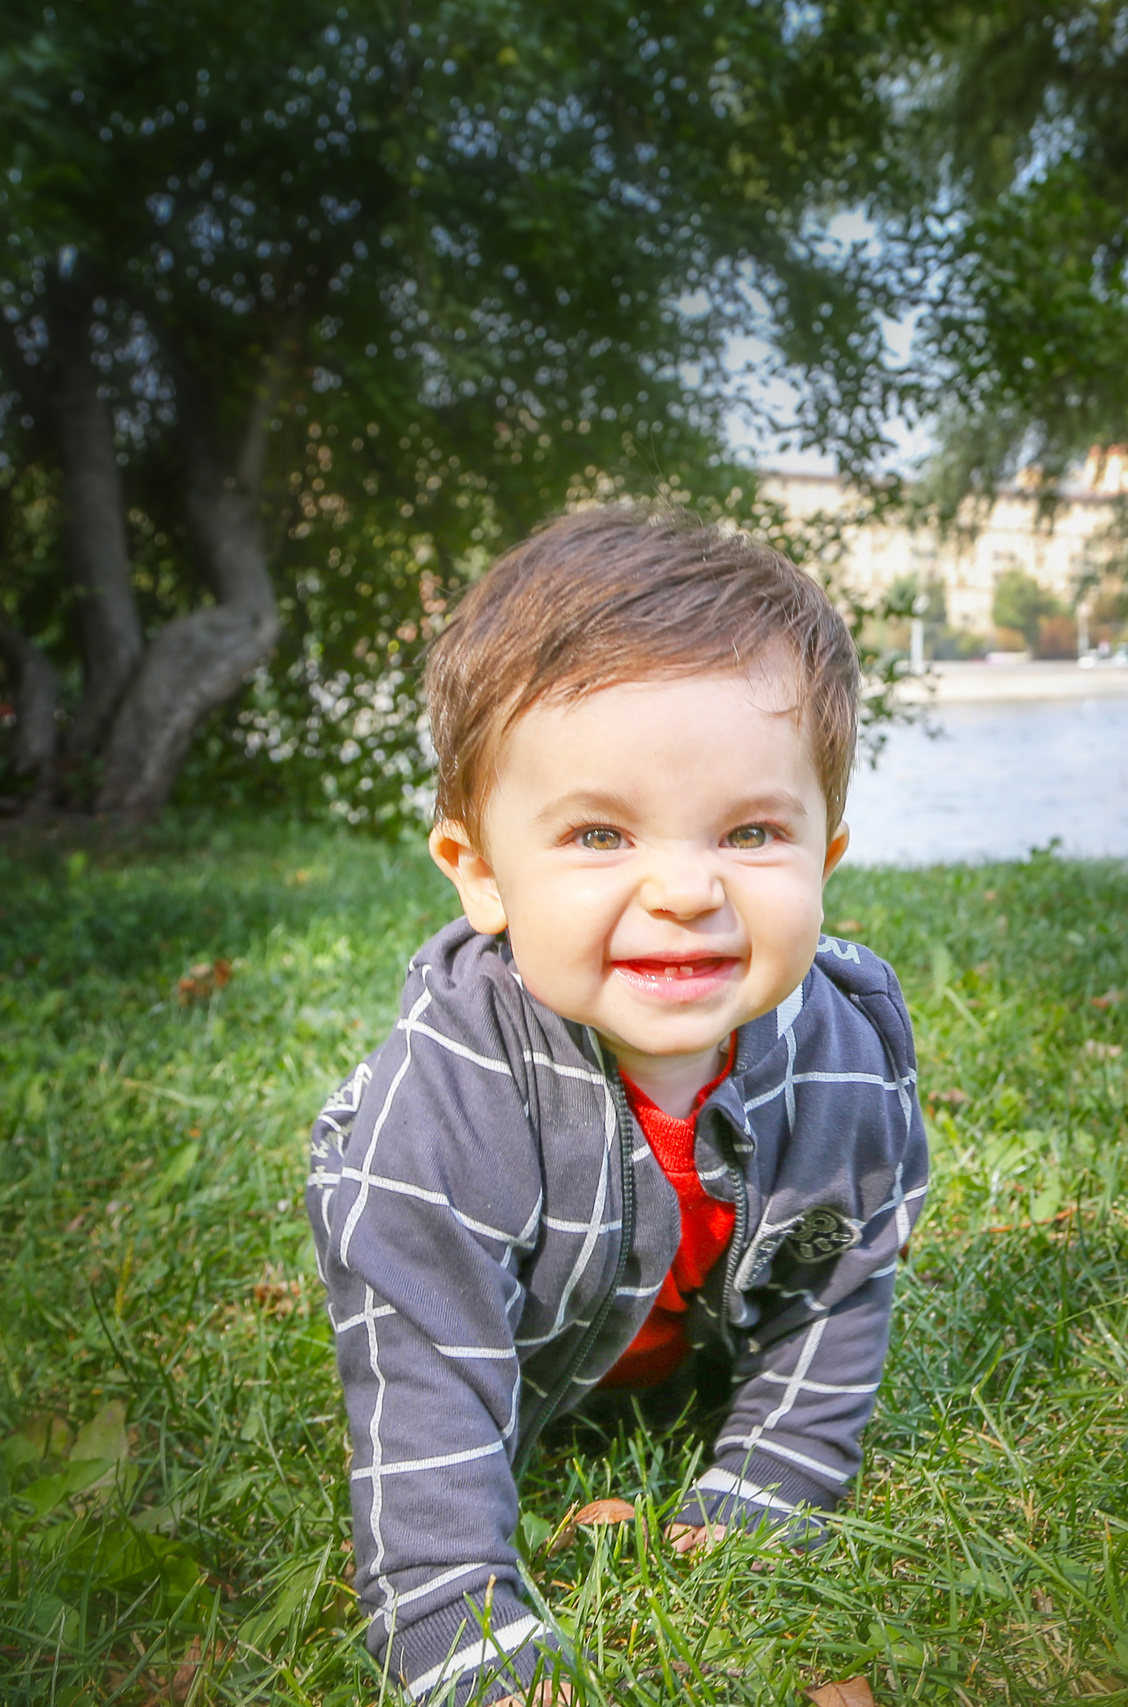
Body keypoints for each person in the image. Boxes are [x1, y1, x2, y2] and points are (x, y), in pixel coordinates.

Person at [305, 509, 931, 1706]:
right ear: (482, 870)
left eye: (752, 833)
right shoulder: (432, 1121)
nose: (687, 889)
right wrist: (455, 1620)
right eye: (600, 834)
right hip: (506, 1373)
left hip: (687, 1355)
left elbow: (840, 1285)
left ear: (826, 858)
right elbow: (424, 1388)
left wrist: (773, 1477)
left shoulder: (847, 1058)